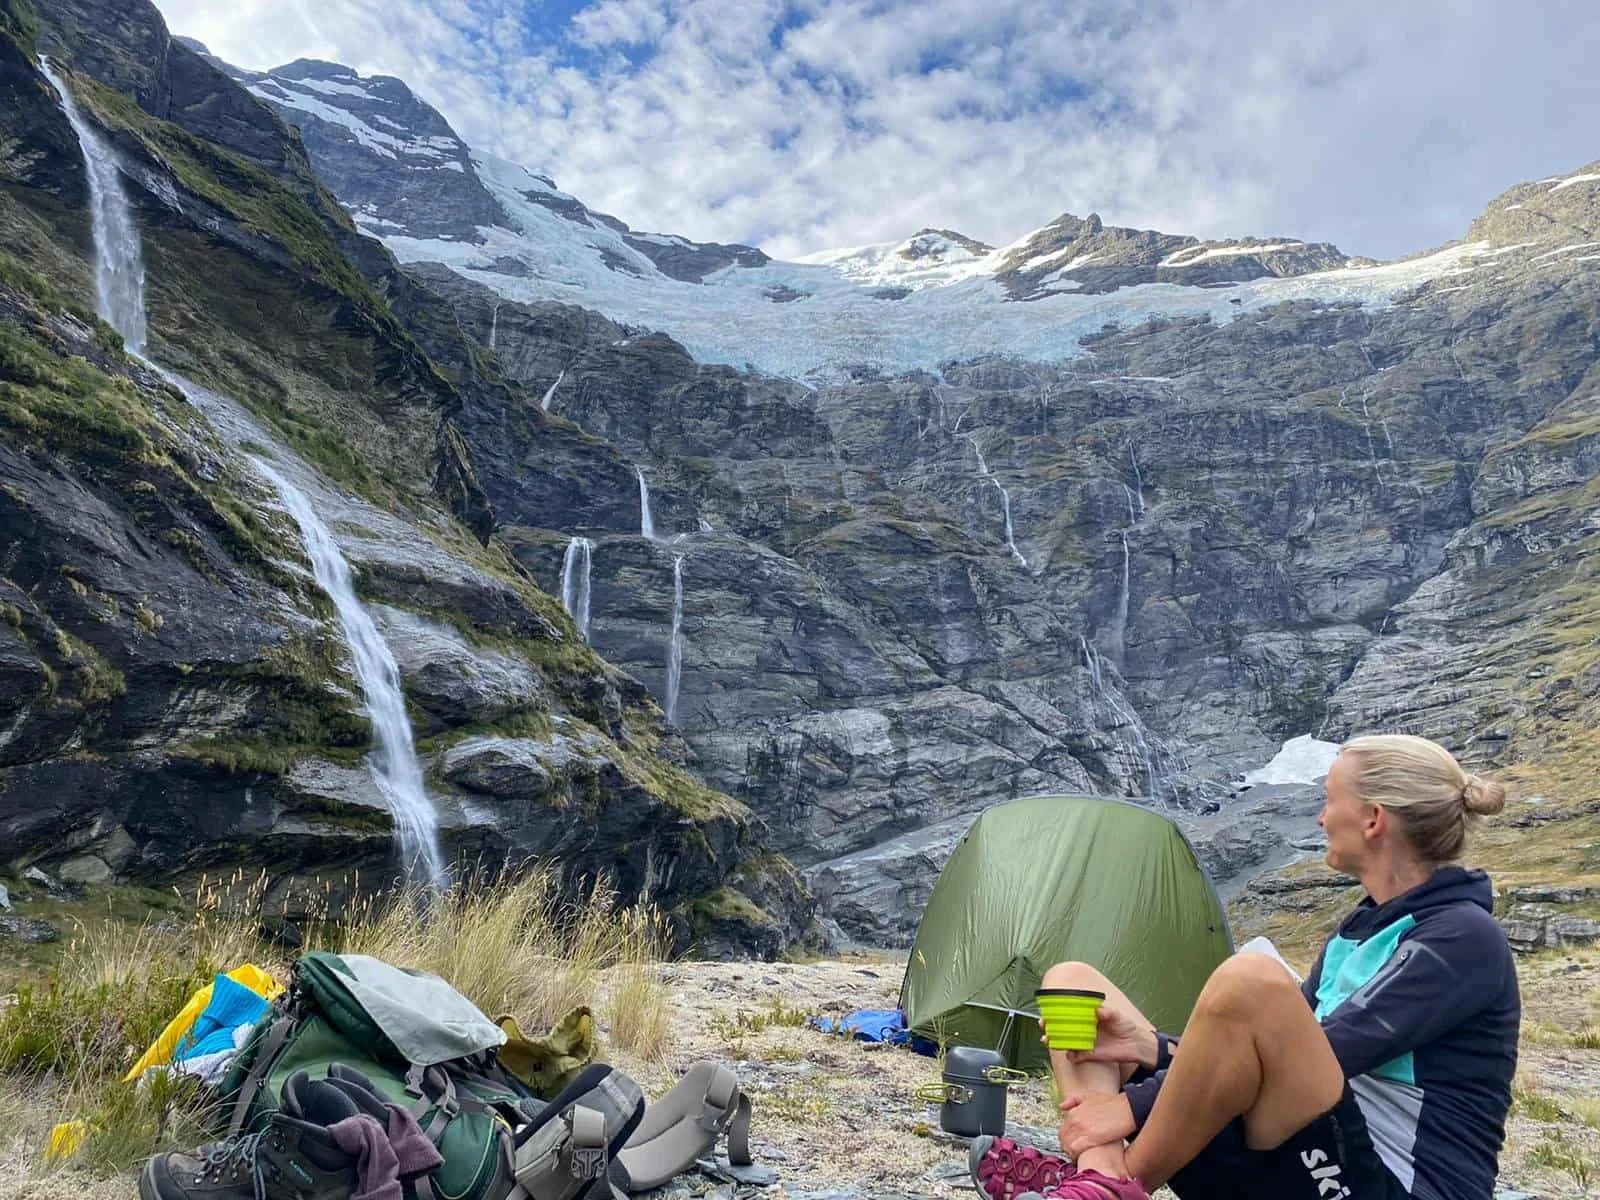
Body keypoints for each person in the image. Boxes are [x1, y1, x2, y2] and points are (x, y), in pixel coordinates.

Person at [970, 733, 1519, 1200]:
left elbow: (1327, 1053)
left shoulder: (1462, 938)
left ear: (1374, 819)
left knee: (1251, 980)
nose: (1321, 817)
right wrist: (1152, 1049)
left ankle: (1111, 1184)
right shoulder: (1360, 930)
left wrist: (1134, 1104)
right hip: (1309, 1156)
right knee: (1074, 984)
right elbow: (1270, 1065)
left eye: (1329, 801)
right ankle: (1099, 1178)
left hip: (1387, 1182)